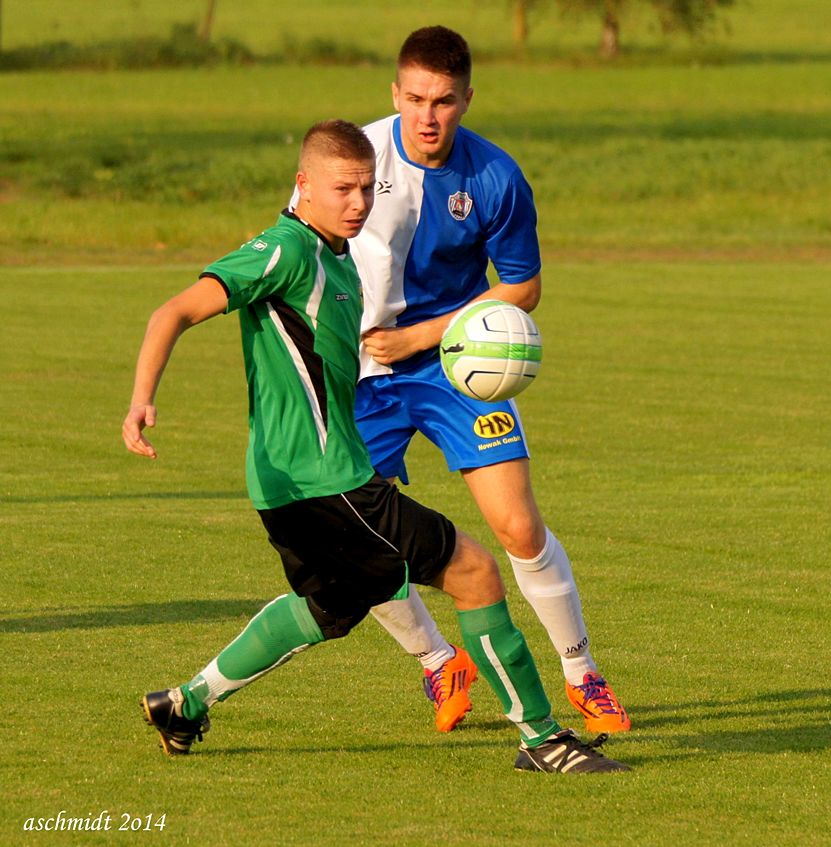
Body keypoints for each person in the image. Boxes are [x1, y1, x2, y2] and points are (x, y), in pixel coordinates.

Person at [122, 120, 628, 774]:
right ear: (303, 183)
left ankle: (185, 702)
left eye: (367, 189)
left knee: (330, 607)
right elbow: (175, 311)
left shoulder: (336, 257)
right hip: (324, 483)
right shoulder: (285, 251)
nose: (358, 202)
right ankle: (542, 737)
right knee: (475, 573)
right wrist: (142, 398)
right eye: (342, 189)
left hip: (299, 485)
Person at [345, 26, 631, 735]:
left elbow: (524, 286)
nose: (428, 116)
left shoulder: (496, 177)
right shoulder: (353, 156)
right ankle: (439, 660)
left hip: (454, 369)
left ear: (467, 98)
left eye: (443, 100)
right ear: (395, 93)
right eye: (414, 98)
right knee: (352, 539)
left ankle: (581, 670)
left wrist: (422, 334)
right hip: (358, 374)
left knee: (517, 524)